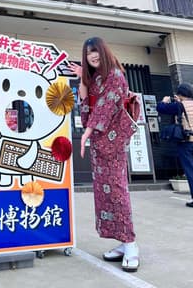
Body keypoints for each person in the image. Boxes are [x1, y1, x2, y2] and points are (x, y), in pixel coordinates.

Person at [69, 37, 139, 273]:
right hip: (100, 144)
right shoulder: (95, 78)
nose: (92, 56)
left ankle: (131, 244)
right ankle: (121, 242)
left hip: (113, 141)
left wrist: (87, 132)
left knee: (117, 190)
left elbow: (107, 106)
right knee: (104, 192)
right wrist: (83, 81)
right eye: (88, 53)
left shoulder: (115, 75)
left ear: (104, 51)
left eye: (95, 51)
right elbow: (88, 106)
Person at [156, 83, 193, 207]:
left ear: (180, 94)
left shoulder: (179, 105)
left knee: (190, 170)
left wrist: (164, 101)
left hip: (187, 143)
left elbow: (161, 108)